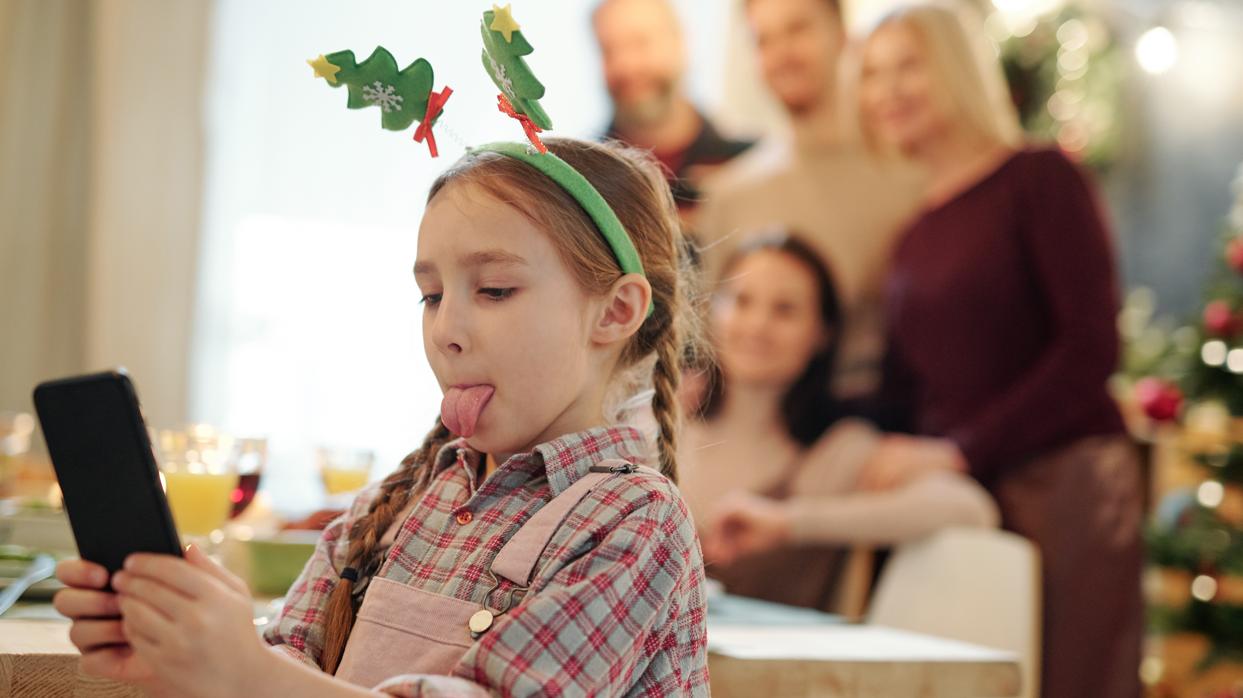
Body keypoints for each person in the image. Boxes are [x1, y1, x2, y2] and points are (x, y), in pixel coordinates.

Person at [50, 138, 711, 696]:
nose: (446, 329)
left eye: (494, 290)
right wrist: (192, 660)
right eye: (430, 295)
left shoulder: (634, 521)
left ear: (616, 312)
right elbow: (285, 668)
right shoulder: (388, 510)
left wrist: (247, 672)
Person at [855, 4, 1143, 697]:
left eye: (907, 66)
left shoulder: (1038, 180)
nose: (886, 91)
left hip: (1064, 484)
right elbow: (910, 387)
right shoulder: (914, 231)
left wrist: (960, 449)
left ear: (955, 69)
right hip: (962, 495)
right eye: (870, 75)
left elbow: (1089, 349)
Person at [679, 233, 997, 613]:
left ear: (822, 334)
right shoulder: (663, 421)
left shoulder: (838, 451)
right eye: (741, 301)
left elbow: (970, 508)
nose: (757, 325)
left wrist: (789, 523)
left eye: (785, 310)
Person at [696, 0, 925, 400]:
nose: (781, 55)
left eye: (797, 30)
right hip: (758, 435)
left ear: (842, 36)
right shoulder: (729, 194)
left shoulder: (912, 177)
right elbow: (712, 349)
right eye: (764, 40)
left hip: (882, 423)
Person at [593, 0, 752, 219]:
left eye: (640, 43)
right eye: (608, 50)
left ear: (681, 43)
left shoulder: (745, 166)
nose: (626, 65)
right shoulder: (583, 180)